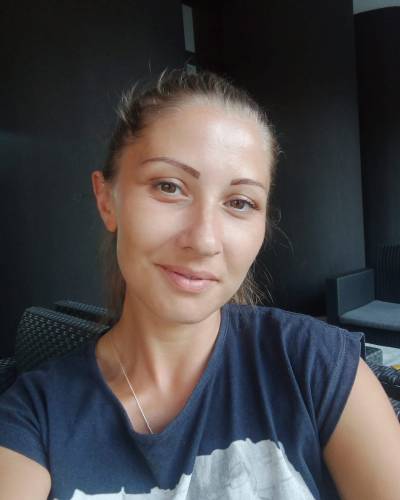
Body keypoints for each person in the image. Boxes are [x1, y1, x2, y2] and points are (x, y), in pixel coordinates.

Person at [0, 69, 399, 500]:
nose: (204, 240)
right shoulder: (34, 415)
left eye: (240, 202)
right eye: (169, 187)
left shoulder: (316, 365)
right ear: (106, 199)